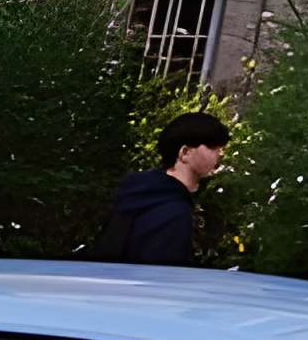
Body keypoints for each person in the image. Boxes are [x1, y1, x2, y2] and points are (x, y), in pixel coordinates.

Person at [94, 112, 228, 264]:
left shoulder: (139, 193)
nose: (220, 154)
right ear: (184, 153)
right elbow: (160, 278)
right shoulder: (173, 211)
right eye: (213, 147)